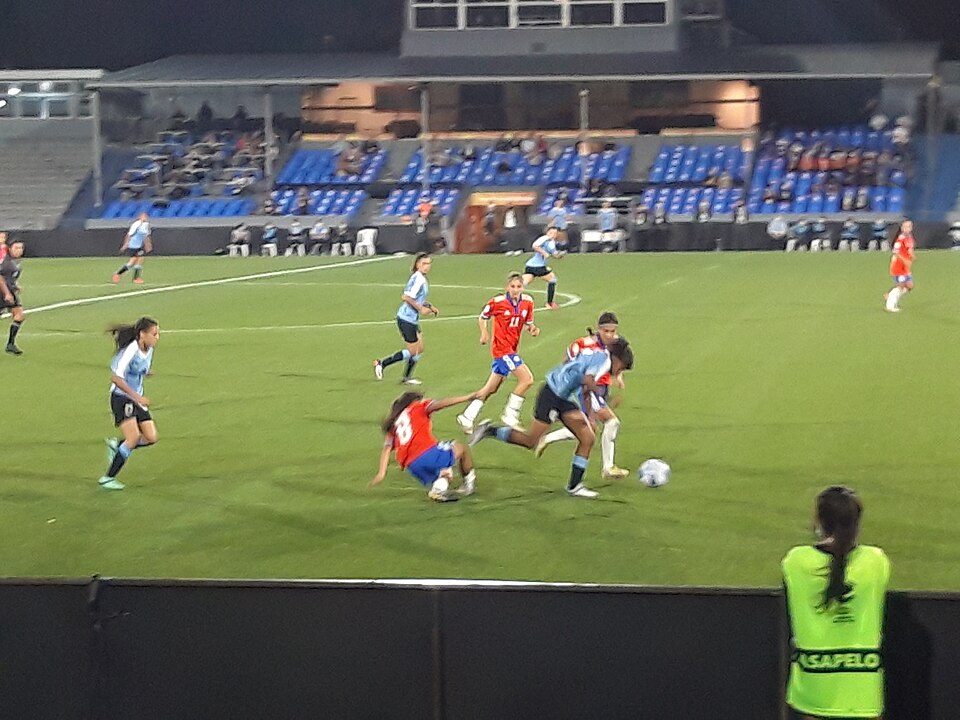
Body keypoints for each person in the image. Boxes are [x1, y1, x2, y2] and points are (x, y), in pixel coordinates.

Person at [470, 337, 635, 499]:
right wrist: (595, 404)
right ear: (617, 359)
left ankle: (574, 486)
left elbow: (581, 380)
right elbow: (588, 383)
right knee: (531, 441)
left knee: (587, 438)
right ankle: (490, 430)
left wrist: (589, 414)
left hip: (563, 396)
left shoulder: (598, 355)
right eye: (621, 369)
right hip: (551, 394)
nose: (619, 372)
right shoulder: (604, 361)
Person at [783, 486, 890, 720]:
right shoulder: (875, 562)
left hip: (813, 692)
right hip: (862, 695)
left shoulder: (796, 561)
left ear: (819, 521)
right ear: (857, 523)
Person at [534, 313, 629, 479]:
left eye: (613, 331)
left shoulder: (613, 343)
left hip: (599, 385)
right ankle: (608, 467)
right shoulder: (584, 344)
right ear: (599, 329)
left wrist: (617, 376)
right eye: (607, 331)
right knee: (610, 422)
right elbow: (567, 362)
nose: (611, 334)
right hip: (588, 387)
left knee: (588, 427)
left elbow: (617, 361)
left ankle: (547, 438)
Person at [456, 273, 540, 433]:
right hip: (502, 350)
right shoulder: (498, 302)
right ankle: (510, 414)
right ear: (507, 287)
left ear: (523, 287)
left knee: (491, 388)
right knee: (527, 379)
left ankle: (467, 416)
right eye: (512, 286)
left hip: (512, 349)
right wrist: (484, 333)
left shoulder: (528, 302)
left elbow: (528, 323)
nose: (515, 290)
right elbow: (483, 317)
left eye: (519, 287)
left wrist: (533, 329)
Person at [372, 391, 479, 503]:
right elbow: (441, 404)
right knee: (462, 448)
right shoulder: (418, 407)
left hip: (412, 465)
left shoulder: (395, 423)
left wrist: (381, 473)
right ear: (413, 401)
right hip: (426, 453)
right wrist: (467, 397)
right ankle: (469, 486)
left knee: (445, 471)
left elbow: (387, 448)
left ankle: (438, 490)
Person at [99, 317, 161, 490]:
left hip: (136, 398)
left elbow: (140, 367)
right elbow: (116, 378)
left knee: (151, 438)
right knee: (133, 438)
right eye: (154, 334)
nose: (157, 337)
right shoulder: (130, 350)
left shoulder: (148, 349)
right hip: (122, 397)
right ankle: (108, 478)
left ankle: (117, 446)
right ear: (142, 334)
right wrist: (137, 397)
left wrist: (146, 372)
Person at [374, 253, 438, 385]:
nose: (427, 266)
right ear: (418, 265)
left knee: (419, 349)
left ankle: (406, 378)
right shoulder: (418, 279)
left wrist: (429, 306)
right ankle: (382, 363)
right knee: (413, 351)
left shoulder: (420, 278)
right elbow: (406, 297)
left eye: (429, 263)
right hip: (406, 319)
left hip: (412, 319)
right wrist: (421, 309)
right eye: (424, 264)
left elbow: (417, 298)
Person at [523, 226, 564, 310]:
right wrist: (544, 253)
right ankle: (549, 303)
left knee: (523, 283)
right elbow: (535, 246)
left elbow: (554, 254)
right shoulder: (544, 238)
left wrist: (559, 255)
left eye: (555, 233)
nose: (553, 235)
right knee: (552, 279)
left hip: (530, 266)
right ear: (547, 233)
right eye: (551, 233)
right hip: (538, 266)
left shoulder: (551, 242)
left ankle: (509, 300)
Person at [0, 237, 26, 355]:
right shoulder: (5, 261)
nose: (19, 250)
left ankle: (10, 344)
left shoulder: (15, 261)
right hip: (2, 292)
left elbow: (10, 277)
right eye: (16, 247)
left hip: (9, 290)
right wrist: (7, 293)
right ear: (9, 248)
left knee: (19, 315)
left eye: (21, 248)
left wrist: (15, 287)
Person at [884, 219, 915, 313]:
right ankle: (890, 306)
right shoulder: (900, 239)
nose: (907, 228)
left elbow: (909, 249)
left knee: (910, 286)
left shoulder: (909, 238)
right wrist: (905, 260)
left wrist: (912, 256)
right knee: (900, 286)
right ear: (902, 228)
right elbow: (895, 252)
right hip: (898, 266)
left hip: (905, 267)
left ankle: (890, 295)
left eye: (909, 226)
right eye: (905, 227)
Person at [112, 213, 152, 284]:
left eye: (146, 216)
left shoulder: (146, 225)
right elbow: (129, 235)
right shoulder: (136, 224)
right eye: (143, 216)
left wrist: (148, 245)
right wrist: (125, 244)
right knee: (132, 262)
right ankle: (118, 274)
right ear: (139, 217)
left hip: (139, 246)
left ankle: (135, 278)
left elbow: (146, 236)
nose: (145, 217)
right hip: (132, 246)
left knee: (140, 259)